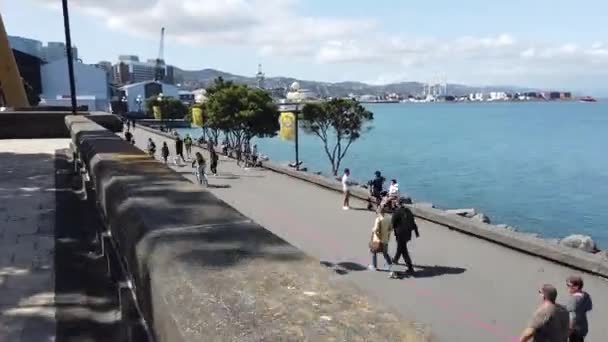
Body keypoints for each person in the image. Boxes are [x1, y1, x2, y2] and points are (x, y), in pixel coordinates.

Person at [390, 202, 420, 277]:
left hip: (400, 234)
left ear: (397, 204)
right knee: (402, 249)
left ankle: (396, 267)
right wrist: (416, 233)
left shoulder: (396, 212)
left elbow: (392, 223)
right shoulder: (408, 211)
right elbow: (413, 223)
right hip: (407, 234)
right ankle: (399, 262)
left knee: (402, 250)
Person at [565, 276, 593, 342]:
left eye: (569, 285)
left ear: (576, 287)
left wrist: (569, 331)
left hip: (575, 331)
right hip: (583, 328)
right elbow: (589, 307)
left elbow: (573, 317)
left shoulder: (574, 300)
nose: (567, 287)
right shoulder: (586, 296)